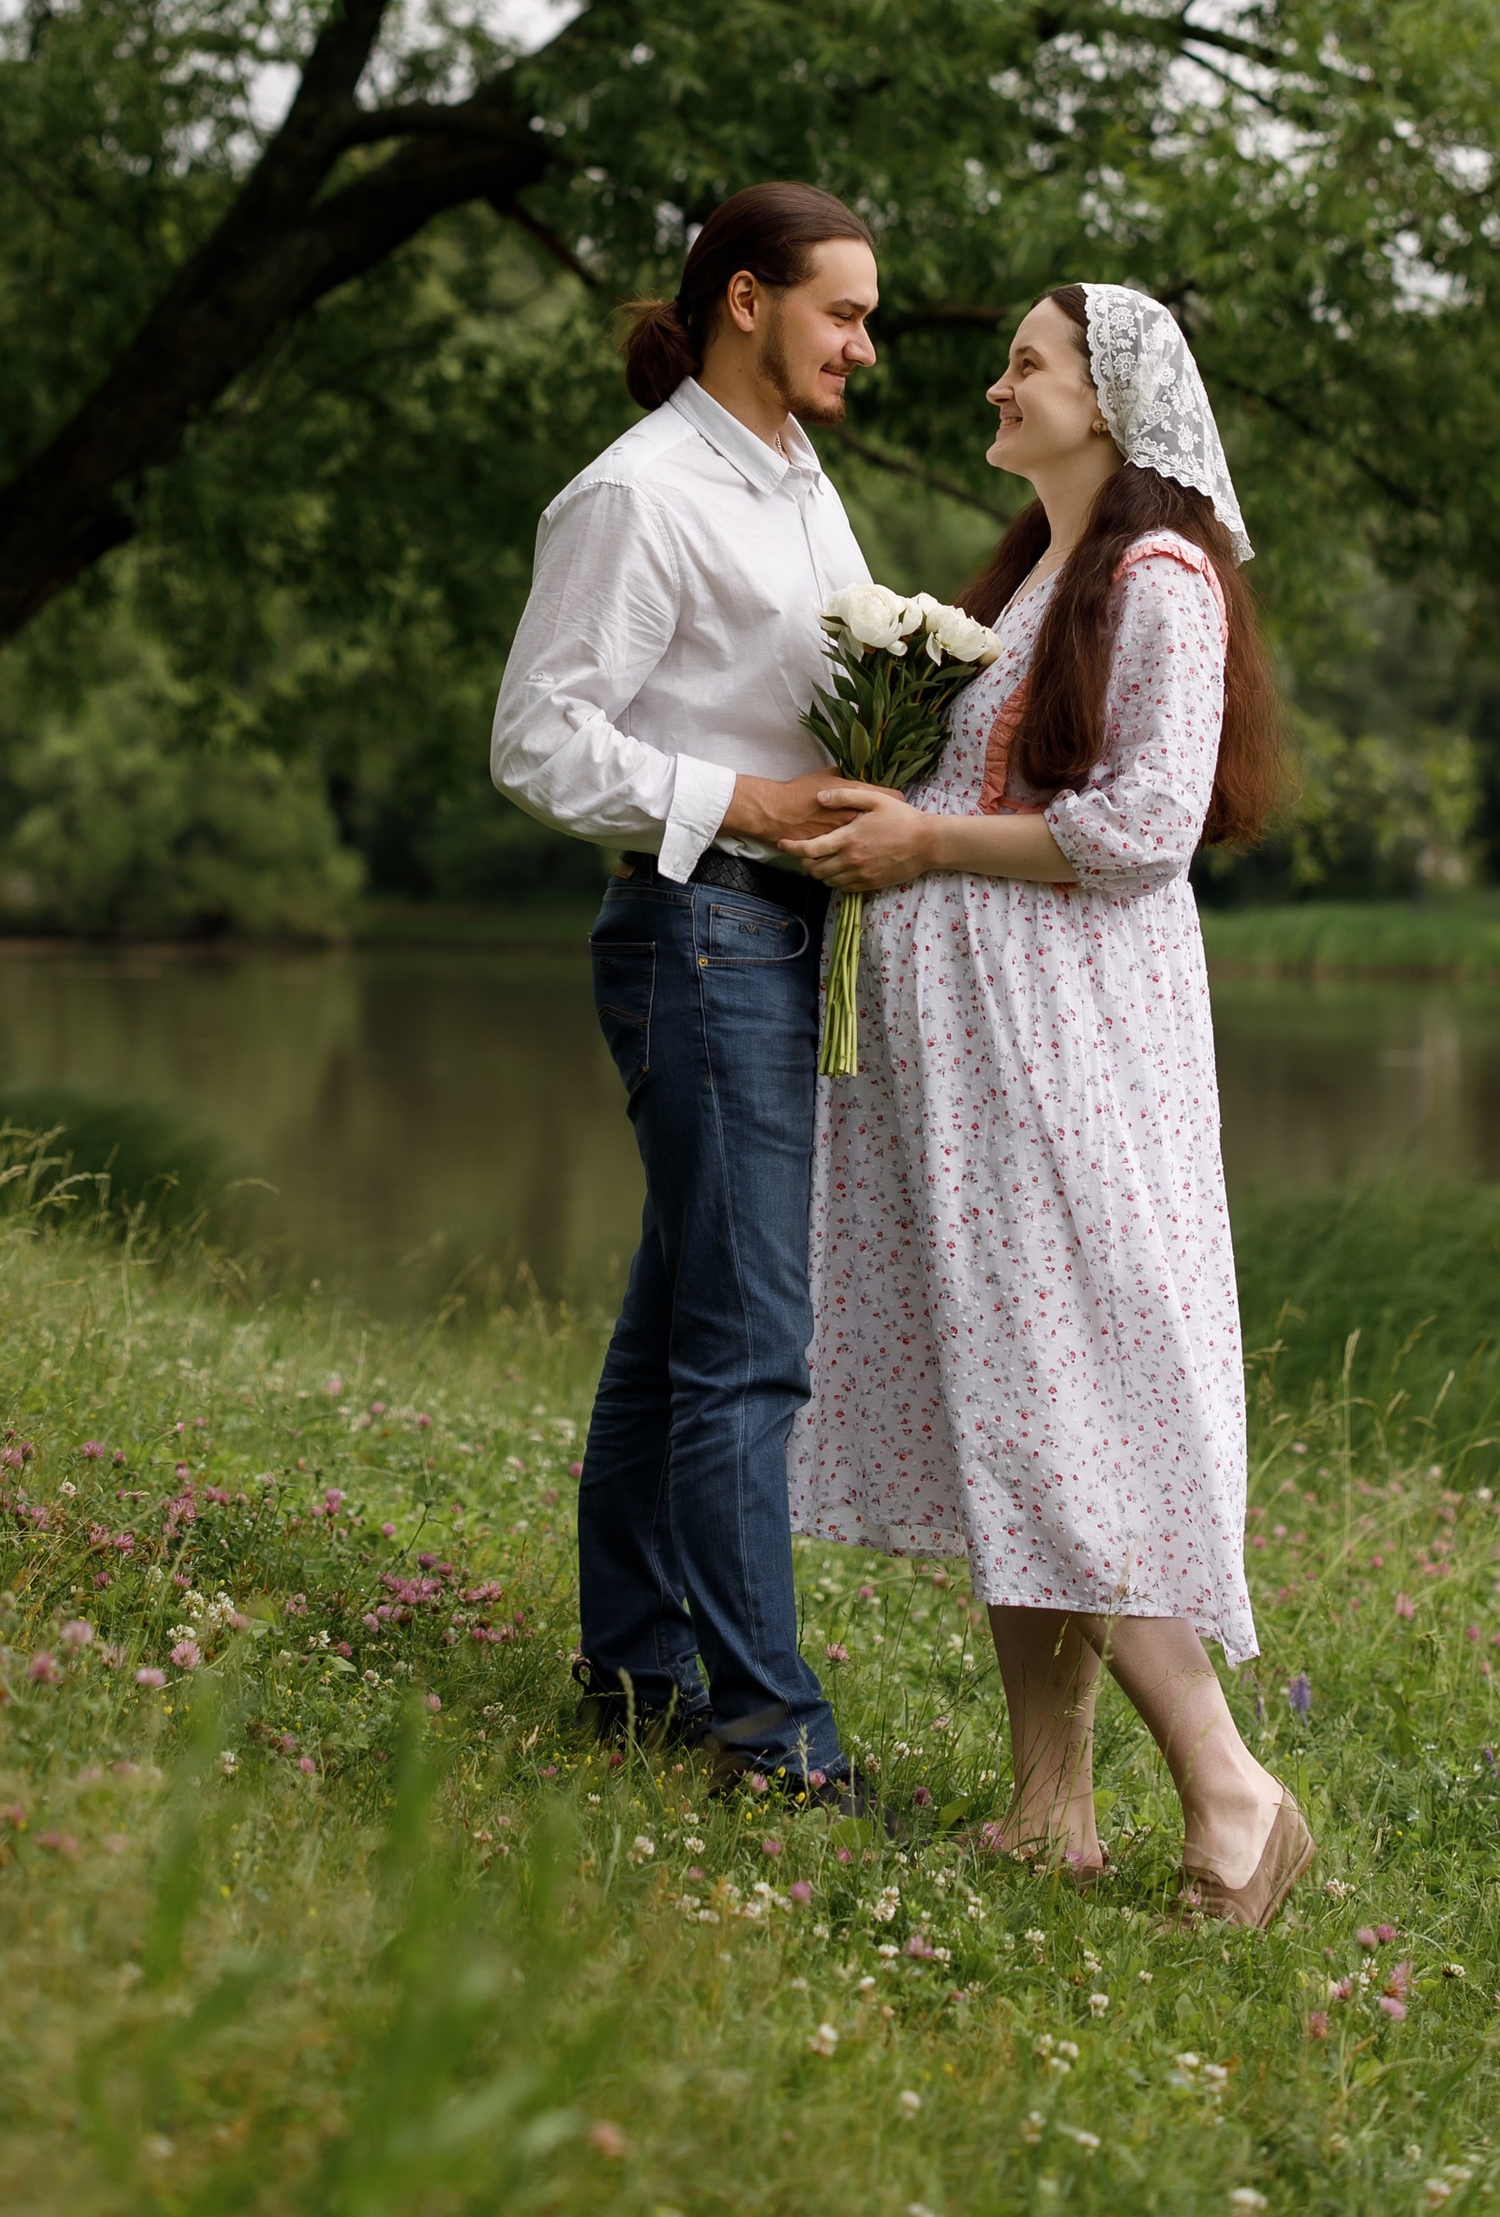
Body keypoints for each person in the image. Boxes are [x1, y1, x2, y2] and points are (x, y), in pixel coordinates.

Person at [786, 281, 1311, 1923]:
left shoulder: (1154, 575)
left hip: (1067, 1056)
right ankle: (1046, 1809)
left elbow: (1147, 823)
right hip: (979, 1054)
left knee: (1062, 1408)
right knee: (1007, 1410)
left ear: (1112, 399)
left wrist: (927, 842)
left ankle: (1234, 1793)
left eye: (1029, 362)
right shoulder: (1030, 582)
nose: (998, 384)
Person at [489, 181, 883, 1803]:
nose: (864, 344)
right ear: (745, 302)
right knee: (750, 1352)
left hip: (778, 938)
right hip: (697, 932)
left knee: (678, 1333)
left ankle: (639, 1669)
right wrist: (748, 807)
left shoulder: (798, 482)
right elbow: (536, 739)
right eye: (842, 312)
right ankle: (773, 1737)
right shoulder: (638, 496)